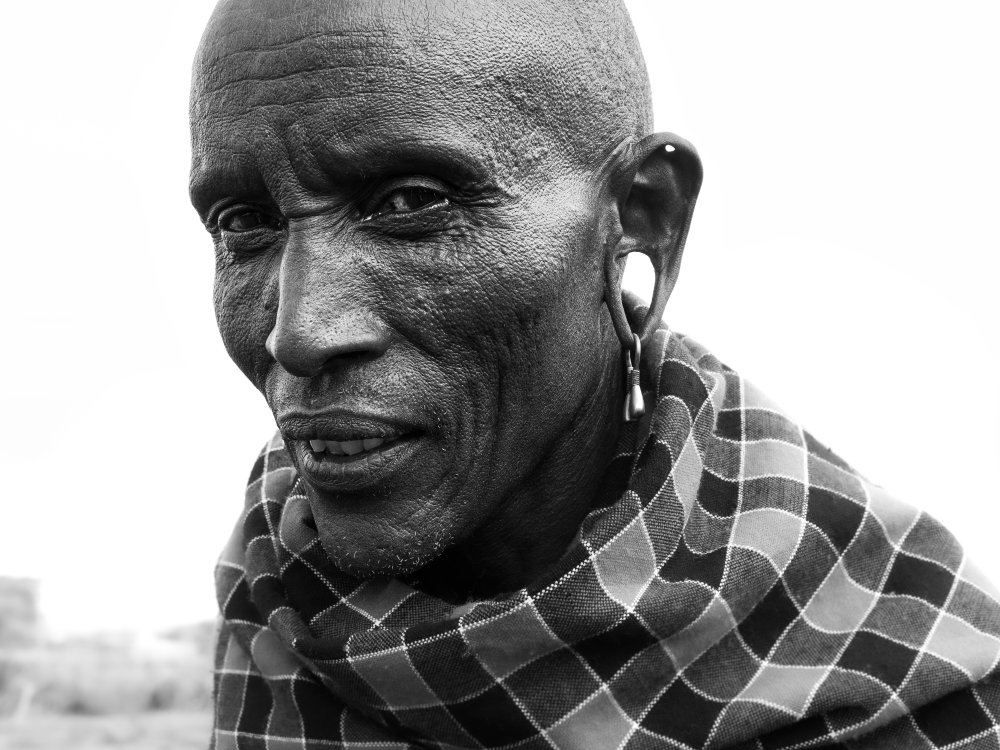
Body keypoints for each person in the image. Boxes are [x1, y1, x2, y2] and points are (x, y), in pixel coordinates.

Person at [189, 0, 1000, 747]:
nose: (297, 334)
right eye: (244, 223)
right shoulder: (277, 590)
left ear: (643, 216)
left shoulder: (897, 671)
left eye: (411, 202)